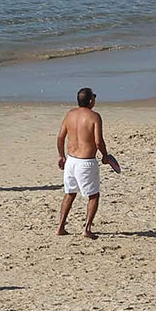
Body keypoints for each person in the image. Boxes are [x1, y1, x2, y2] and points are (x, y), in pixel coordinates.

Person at [56, 87, 120, 239]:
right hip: (86, 162)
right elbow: (98, 141)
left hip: (71, 160)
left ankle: (60, 227)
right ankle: (87, 229)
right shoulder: (94, 117)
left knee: (70, 193)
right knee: (94, 196)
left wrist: (61, 156)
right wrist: (105, 156)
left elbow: (60, 137)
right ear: (91, 100)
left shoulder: (70, 114)